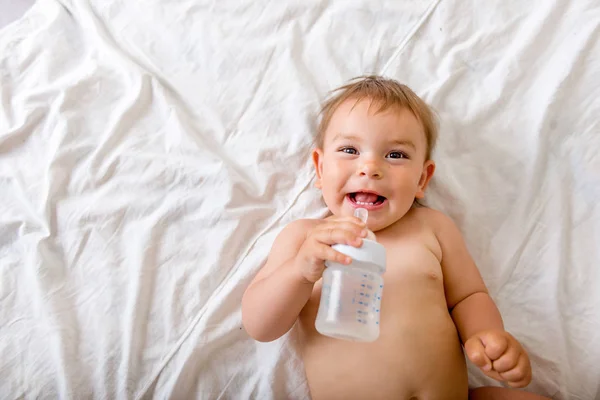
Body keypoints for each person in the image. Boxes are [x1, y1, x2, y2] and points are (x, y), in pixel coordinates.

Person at [242, 76, 548, 400]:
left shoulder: (432, 228)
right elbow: (261, 326)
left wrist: (487, 337)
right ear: (319, 169)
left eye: (396, 155)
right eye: (349, 150)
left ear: (422, 179)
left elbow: (469, 296)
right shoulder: (305, 238)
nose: (370, 167)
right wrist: (300, 271)